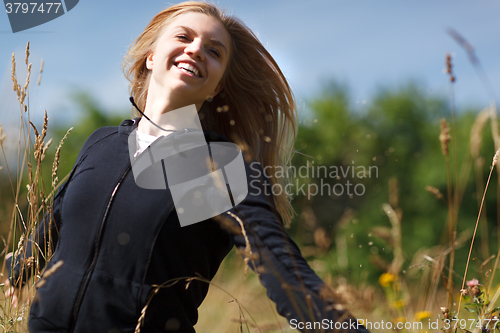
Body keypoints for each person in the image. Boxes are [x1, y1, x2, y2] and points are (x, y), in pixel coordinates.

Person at [4, 2, 369, 332]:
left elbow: (277, 261)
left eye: (214, 52)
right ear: (150, 56)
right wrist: (18, 268)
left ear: (216, 87)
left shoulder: (213, 164)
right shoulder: (102, 143)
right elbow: (57, 215)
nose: (196, 49)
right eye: (184, 36)